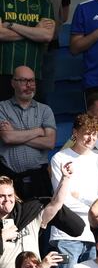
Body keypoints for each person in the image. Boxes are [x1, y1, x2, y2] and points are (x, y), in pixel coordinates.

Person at [48, 114, 98, 268]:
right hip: (66, 234)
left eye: (94, 134)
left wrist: (82, 197)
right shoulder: (60, 158)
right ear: (75, 132)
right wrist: (95, 205)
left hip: (94, 235)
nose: (91, 138)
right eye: (86, 133)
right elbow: (63, 201)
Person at [0, 172, 78, 268]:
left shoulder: (28, 217)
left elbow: (56, 203)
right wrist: (2, 237)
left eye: (10, 195)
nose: (7, 200)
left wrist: (65, 178)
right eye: (2, 196)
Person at [0, 66, 56, 199]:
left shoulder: (45, 110)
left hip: (39, 179)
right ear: (13, 83)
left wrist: (16, 134)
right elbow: (7, 138)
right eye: (23, 81)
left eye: (32, 81)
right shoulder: (2, 107)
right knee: (9, 219)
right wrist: (38, 131)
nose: (29, 85)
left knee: (41, 219)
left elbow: (50, 143)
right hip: (8, 179)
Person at [0, 0, 54, 99]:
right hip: (4, 71)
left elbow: (47, 36)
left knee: (32, 114)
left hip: (33, 74)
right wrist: (34, 31)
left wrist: (11, 25)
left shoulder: (44, 1)